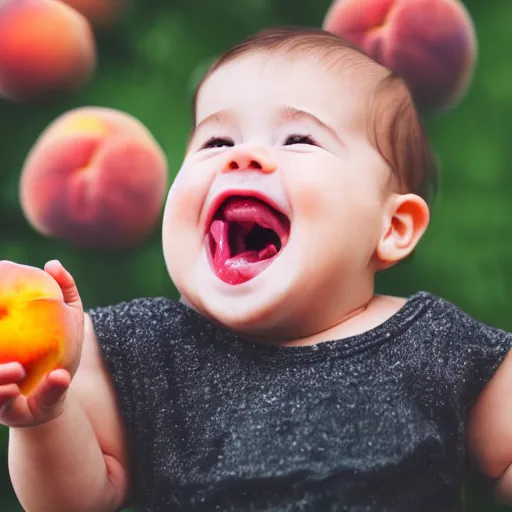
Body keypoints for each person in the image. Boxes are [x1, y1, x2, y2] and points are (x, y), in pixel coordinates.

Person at [2, 27, 512, 512]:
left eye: (298, 139)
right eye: (215, 144)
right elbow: (78, 499)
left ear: (394, 227)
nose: (243, 156)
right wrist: (46, 421)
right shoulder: (145, 348)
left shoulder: (438, 344)